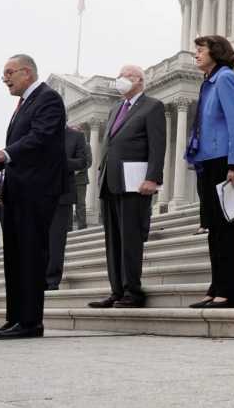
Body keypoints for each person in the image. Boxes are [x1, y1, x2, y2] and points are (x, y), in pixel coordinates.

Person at [0, 54, 68, 339]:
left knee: (30, 254)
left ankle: (30, 322)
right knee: (15, 256)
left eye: (9, 72)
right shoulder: (25, 103)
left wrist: (4, 154)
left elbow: (40, 137)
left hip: (36, 190)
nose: (5, 78)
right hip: (17, 190)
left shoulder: (48, 98)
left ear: (26, 73)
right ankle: (15, 318)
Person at [87, 65, 166, 309]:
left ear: (140, 81)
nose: (121, 80)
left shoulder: (152, 106)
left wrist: (153, 178)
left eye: (127, 76)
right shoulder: (114, 109)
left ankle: (133, 290)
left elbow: (158, 145)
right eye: (119, 75)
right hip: (110, 182)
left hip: (135, 183)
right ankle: (116, 290)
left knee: (130, 238)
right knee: (113, 241)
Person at [186, 36, 234, 308]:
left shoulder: (225, 79)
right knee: (213, 228)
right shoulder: (208, 82)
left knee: (225, 228)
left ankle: (228, 288)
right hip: (207, 160)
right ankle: (216, 285)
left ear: (216, 52)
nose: (196, 55)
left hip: (223, 160)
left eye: (200, 50)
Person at [46, 125, 89, 290]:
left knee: (56, 240)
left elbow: (82, 161)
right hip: (36, 194)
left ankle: (51, 280)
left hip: (62, 194)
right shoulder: (38, 133)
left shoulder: (76, 136)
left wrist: (61, 161)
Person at [71, 126, 93, 230]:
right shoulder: (68, 144)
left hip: (81, 179)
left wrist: (77, 170)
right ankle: (68, 226)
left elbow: (89, 162)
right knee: (68, 203)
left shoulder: (86, 145)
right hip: (69, 179)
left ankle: (82, 226)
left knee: (81, 204)